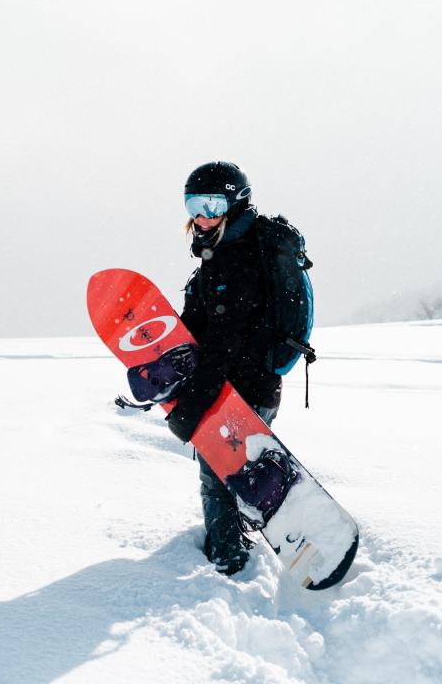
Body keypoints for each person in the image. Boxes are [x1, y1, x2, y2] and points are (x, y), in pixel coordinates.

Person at [166, 161, 282, 575]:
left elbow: (223, 346)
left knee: (217, 480)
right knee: (232, 472)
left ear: (235, 204)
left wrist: (193, 405)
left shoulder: (237, 261)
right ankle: (240, 536)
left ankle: (230, 564)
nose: (201, 215)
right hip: (250, 388)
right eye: (193, 204)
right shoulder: (225, 254)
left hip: (239, 392)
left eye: (212, 204)